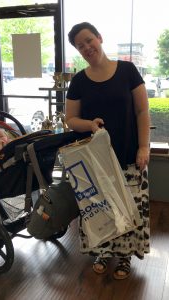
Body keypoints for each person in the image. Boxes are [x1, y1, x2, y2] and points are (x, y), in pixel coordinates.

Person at [66, 22, 150, 280]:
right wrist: (89, 124)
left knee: (128, 206)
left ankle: (124, 255)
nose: (86, 47)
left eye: (89, 40)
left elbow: (142, 110)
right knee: (100, 207)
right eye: (80, 46)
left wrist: (144, 146)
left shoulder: (127, 70)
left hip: (128, 153)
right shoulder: (79, 81)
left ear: (99, 38)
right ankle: (103, 251)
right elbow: (70, 119)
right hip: (95, 160)